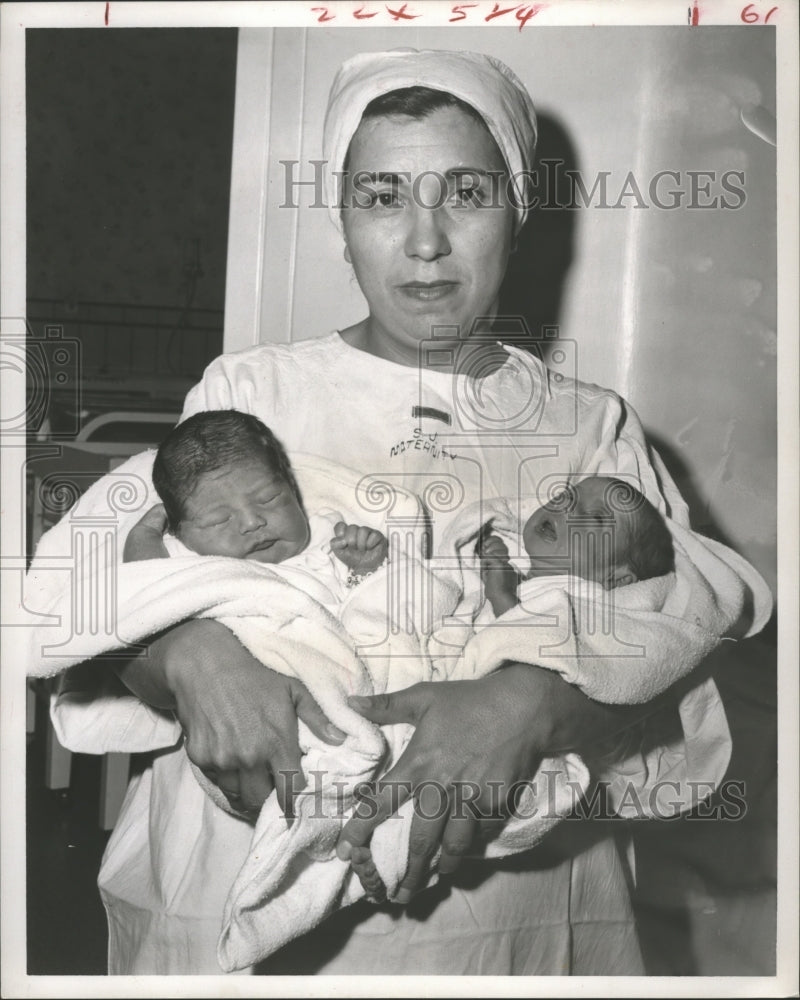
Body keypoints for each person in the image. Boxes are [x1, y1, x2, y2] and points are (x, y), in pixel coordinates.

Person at [27, 47, 772, 975]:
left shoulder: (588, 428)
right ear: (342, 220)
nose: (425, 242)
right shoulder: (251, 393)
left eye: (465, 193)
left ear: (520, 212)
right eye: (383, 197)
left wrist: (528, 701)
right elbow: (108, 611)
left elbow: (672, 677)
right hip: (239, 906)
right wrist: (185, 652)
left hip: (519, 929)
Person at [123, 409, 389, 598]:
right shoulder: (185, 561)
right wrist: (145, 534)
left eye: (269, 499)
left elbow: (367, 607)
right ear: (178, 532)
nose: (253, 522)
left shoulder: (331, 540)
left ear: (292, 488)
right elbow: (145, 587)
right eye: (219, 519)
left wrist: (364, 568)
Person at [478, 475, 675, 618]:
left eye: (597, 517)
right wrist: (495, 569)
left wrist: (500, 595)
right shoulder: (523, 574)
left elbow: (536, 650)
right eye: (569, 496)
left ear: (617, 579)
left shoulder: (585, 601)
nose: (567, 506)